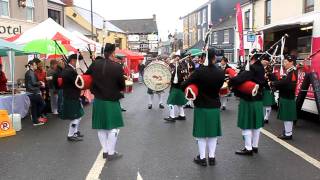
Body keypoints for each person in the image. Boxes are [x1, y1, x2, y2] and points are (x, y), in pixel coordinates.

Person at [182, 48, 225, 166]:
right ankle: (212, 158)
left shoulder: (199, 72)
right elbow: (220, 86)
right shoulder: (220, 72)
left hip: (201, 105)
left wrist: (194, 85)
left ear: (203, 58)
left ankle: (202, 158)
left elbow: (184, 85)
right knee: (212, 133)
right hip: (214, 105)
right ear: (214, 58)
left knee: (201, 134)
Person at [86, 43, 125, 160]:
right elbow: (122, 85)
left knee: (101, 127)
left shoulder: (94, 64)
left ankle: (105, 151)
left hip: (98, 100)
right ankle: (111, 153)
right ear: (113, 53)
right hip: (112, 100)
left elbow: (87, 77)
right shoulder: (117, 67)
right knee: (114, 127)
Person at [229, 53, 265, 156]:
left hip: (248, 100)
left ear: (252, 58)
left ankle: (248, 148)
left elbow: (239, 79)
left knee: (246, 125)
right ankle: (255, 146)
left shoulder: (252, 68)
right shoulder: (261, 68)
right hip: (258, 99)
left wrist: (231, 81)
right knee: (256, 125)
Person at [269, 55, 297, 140]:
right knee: (287, 116)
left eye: (285, 62)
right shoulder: (289, 71)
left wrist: (274, 84)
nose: (284, 64)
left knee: (287, 116)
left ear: (291, 62)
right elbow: (284, 82)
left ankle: (288, 134)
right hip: (286, 96)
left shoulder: (292, 72)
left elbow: (289, 85)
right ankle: (288, 132)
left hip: (287, 97)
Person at [60, 54, 84, 142]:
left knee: (79, 115)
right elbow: (77, 83)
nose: (78, 63)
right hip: (71, 96)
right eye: (77, 61)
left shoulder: (70, 69)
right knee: (76, 117)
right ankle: (70, 135)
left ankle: (75, 132)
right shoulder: (69, 71)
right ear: (73, 61)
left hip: (73, 96)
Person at [164, 51, 188, 122]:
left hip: (176, 87)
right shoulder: (183, 66)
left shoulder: (178, 68)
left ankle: (172, 116)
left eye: (175, 58)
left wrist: (169, 82)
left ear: (178, 58)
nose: (174, 59)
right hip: (181, 87)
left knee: (170, 102)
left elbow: (176, 80)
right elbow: (171, 65)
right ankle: (182, 115)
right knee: (179, 102)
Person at [25, 59, 46, 126]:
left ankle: (35, 120)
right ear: (31, 65)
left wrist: (39, 83)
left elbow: (32, 83)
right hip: (33, 92)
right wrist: (40, 83)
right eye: (35, 65)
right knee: (42, 104)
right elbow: (34, 83)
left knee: (34, 106)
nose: (36, 66)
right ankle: (36, 117)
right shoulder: (31, 73)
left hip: (31, 92)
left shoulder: (29, 72)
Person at [261, 56, 276, 124]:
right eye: (262, 60)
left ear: (267, 62)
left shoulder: (270, 69)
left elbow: (274, 79)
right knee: (261, 104)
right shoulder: (260, 68)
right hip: (261, 88)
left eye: (264, 60)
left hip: (267, 88)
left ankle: (266, 117)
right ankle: (262, 116)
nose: (263, 61)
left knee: (267, 104)